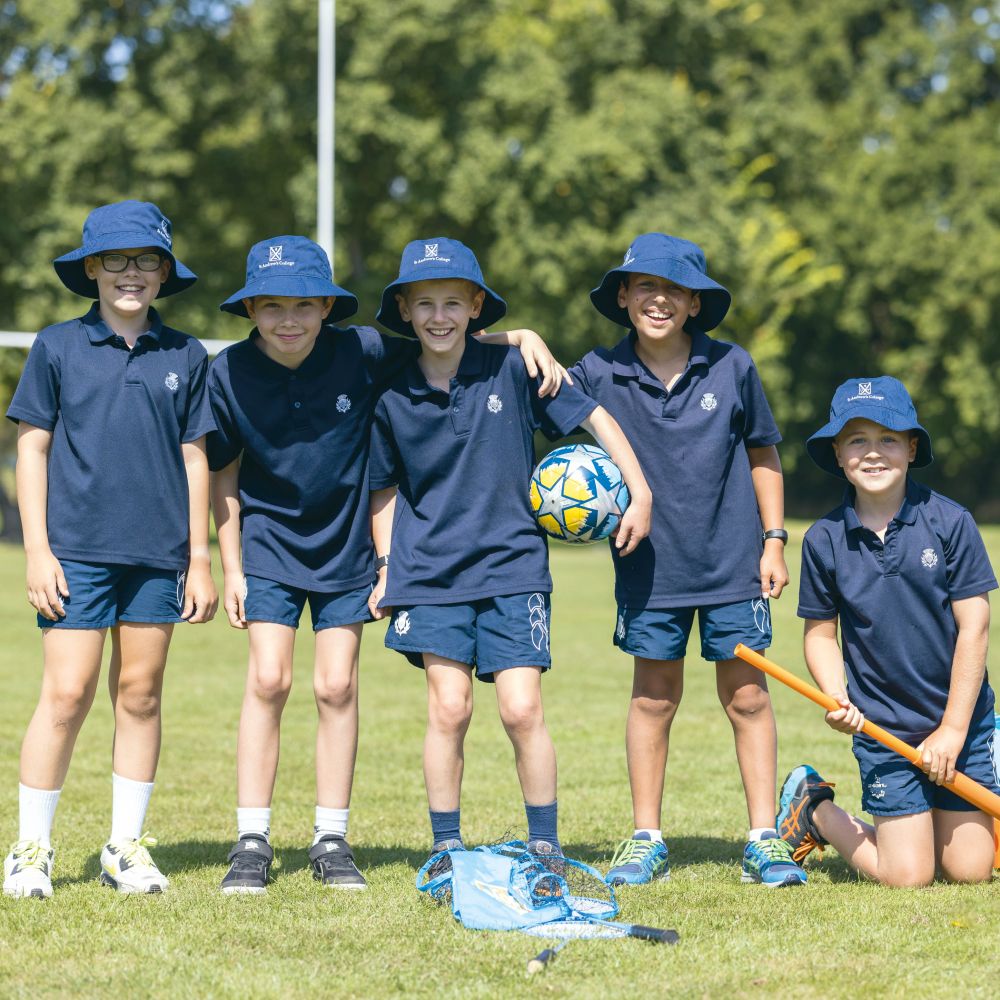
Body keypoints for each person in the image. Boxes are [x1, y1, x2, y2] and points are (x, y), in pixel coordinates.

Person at [209, 236, 568, 894]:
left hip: (346, 545)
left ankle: (330, 837)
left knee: (336, 686)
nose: (289, 319)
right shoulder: (228, 372)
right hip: (268, 544)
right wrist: (229, 566)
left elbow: (449, 334)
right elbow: (223, 472)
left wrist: (523, 337)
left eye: (304, 305)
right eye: (272, 306)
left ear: (326, 308)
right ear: (251, 308)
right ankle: (252, 838)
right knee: (268, 678)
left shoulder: (362, 350)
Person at [368, 237, 652, 870]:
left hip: (513, 567)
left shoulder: (513, 370)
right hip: (429, 574)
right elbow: (383, 488)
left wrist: (640, 491)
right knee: (450, 707)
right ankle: (446, 848)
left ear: (475, 307)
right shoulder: (391, 397)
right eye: (424, 305)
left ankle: (545, 844)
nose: (438, 317)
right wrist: (387, 565)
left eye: (452, 303)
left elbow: (596, 417)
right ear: (407, 312)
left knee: (522, 710)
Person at [569, 232, 807, 887]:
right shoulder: (597, 371)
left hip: (733, 564)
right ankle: (646, 838)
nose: (659, 299)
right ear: (623, 295)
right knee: (653, 699)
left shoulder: (733, 368)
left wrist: (774, 539)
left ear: (695, 304)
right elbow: (528, 382)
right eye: (645, 285)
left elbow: (764, 455)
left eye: (675, 289)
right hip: (649, 569)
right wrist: (520, 337)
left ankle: (765, 839)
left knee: (749, 697)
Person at [3, 200, 217, 899]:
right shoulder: (57, 347)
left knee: (140, 693)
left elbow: (195, 459)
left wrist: (200, 557)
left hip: (158, 557)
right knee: (66, 694)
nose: (132, 274)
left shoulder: (185, 353)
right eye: (117, 261)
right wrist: (38, 549)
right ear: (92, 269)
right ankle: (30, 851)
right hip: (75, 553)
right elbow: (31, 449)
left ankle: (126, 847)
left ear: (163, 272)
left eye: (146, 261)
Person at [777, 376, 998, 886]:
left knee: (969, 871)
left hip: (960, 725)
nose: (873, 453)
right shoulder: (824, 539)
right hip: (886, 732)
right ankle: (815, 808)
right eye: (857, 440)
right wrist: (836, 695)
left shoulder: (949, 521)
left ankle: (988, 753)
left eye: (888, 439)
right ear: (837, 453)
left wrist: (953, 731)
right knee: (908, 877)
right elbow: (820, 635)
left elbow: (976, 627)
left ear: (912, 447)